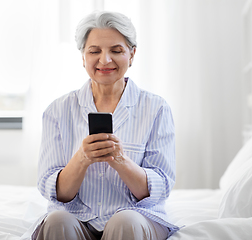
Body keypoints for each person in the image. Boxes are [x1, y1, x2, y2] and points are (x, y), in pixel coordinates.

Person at [33, 11, 179, 240]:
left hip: (136, 217)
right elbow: (54, 192)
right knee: (57, 220)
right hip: (76, 218)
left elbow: (159, 189)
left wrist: (120, 160)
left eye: (116, 50)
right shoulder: (57, 111)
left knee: (125, 221)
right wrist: (82, 158)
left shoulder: (156, 108)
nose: (105, 60)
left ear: (132, 54)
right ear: (83, 57)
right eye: (94, 51)